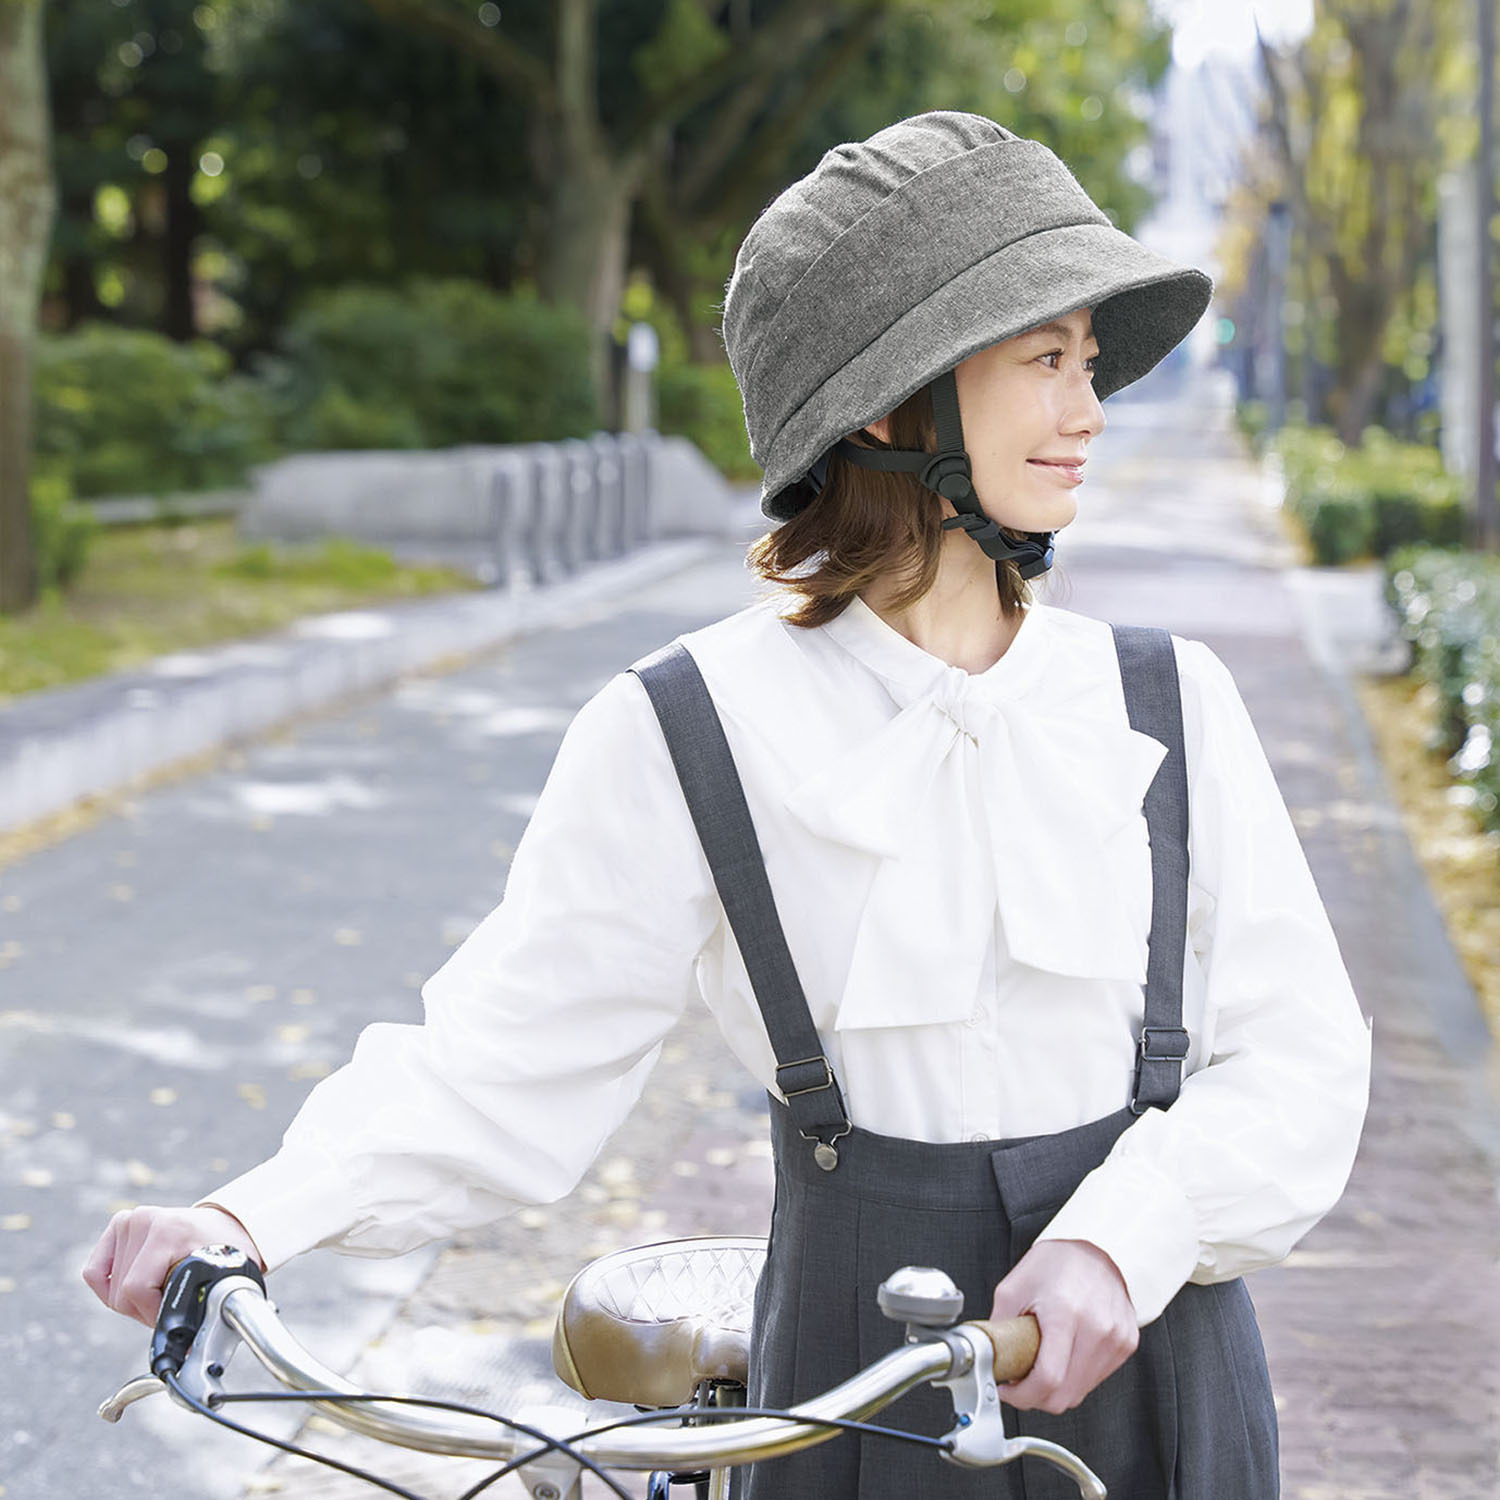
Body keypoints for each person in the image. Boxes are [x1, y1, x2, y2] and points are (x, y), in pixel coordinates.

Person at [84, 112, 1371, 1497]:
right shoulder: (689, 727)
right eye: (1044, 360)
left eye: (1087, 361)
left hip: (1160, 1376)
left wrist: (1128, 1232)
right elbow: (500, 1057)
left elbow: (1301, 1057)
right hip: (845, 1398)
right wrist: (250, 1216)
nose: (1090, 409)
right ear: (896, 404)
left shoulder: (1166, 700)